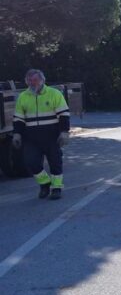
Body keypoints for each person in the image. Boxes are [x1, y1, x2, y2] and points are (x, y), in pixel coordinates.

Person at [12, 69, 70, 200]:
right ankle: (44, 184)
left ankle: (56, 188)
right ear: (27, 82)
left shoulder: (54, 94)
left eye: (36, 80)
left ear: (42, 80)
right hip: (31, 138)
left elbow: (64, 115)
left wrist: (64, 132)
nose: (33, 83)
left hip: (51, 136)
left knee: (55, 162)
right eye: (30, 80)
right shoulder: (23, 96)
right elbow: (18, 119)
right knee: (30, 162)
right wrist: (17, 134)